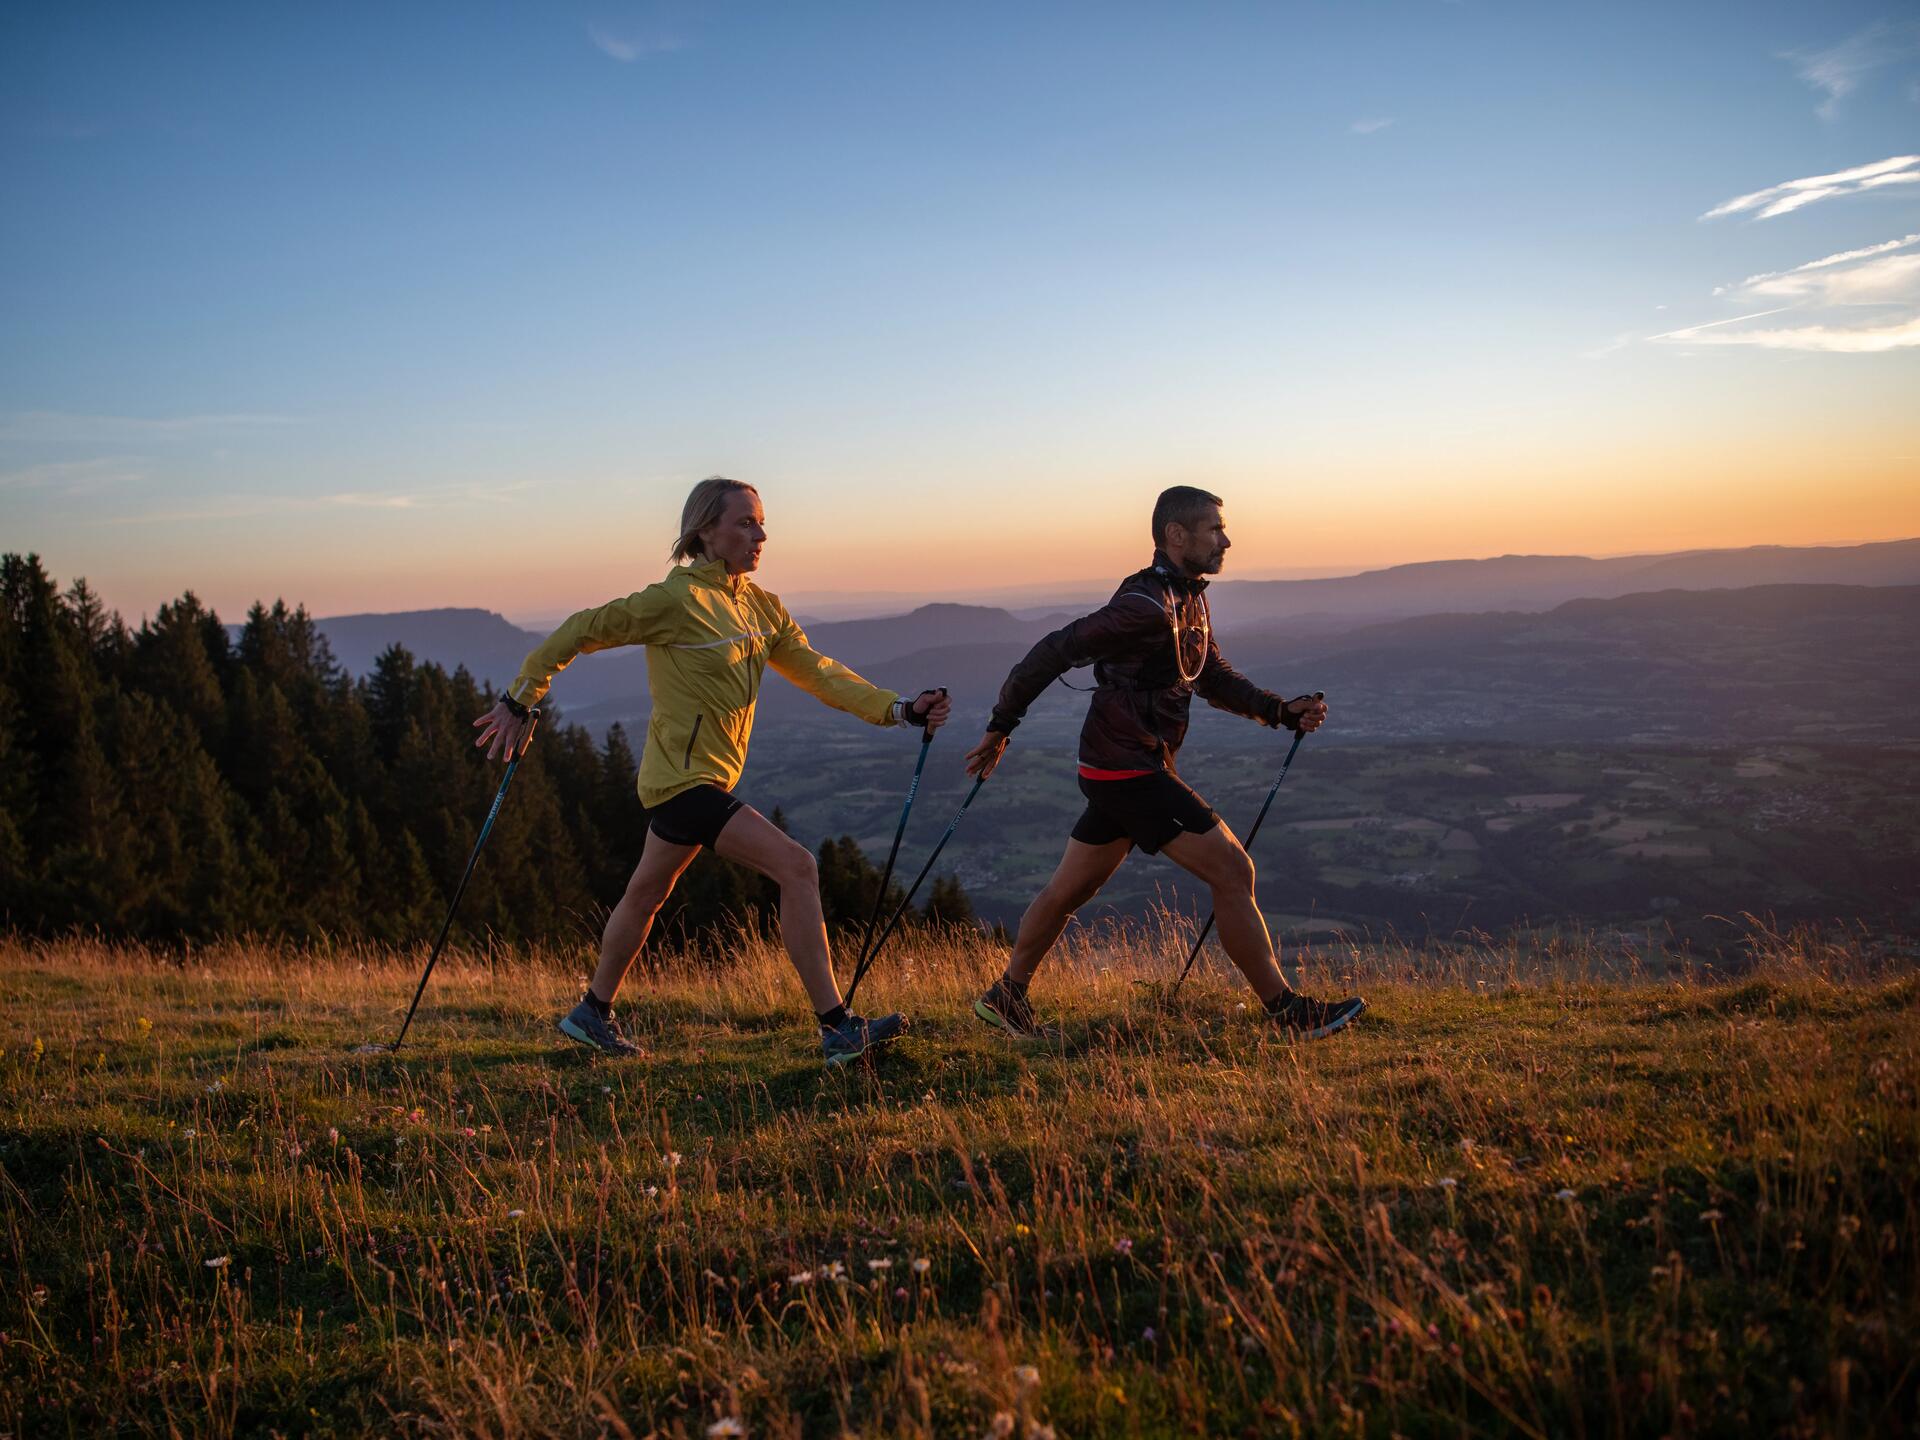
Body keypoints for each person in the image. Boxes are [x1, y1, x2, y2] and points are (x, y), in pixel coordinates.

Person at [471, 476, 952, 1065]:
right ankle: (836, 1027)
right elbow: (581, 629)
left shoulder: (760, 606)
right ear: (705, 531)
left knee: (646, 893)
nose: (761, 534)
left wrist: (898, 709)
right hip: (682, 783)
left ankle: (591, 1013)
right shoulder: (674, 601)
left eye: (761, 521)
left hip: (702, 781)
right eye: (745, 522)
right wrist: (521, 698)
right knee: (798, 868)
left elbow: (818, 671)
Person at [962, 485, 1365, 1039]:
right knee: (1233, 868)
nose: (1227, 540)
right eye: (1214, 530)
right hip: (1126, 769)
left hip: (1123, 766)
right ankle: (1287, 1012)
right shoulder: (1144, 607)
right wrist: (1001, 725)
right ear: (1176, 536)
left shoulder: (1187, 597)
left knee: (1069, 890)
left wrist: (1279, 710)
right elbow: (1054, 649)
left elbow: (1210, 674)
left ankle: (1005, 997)